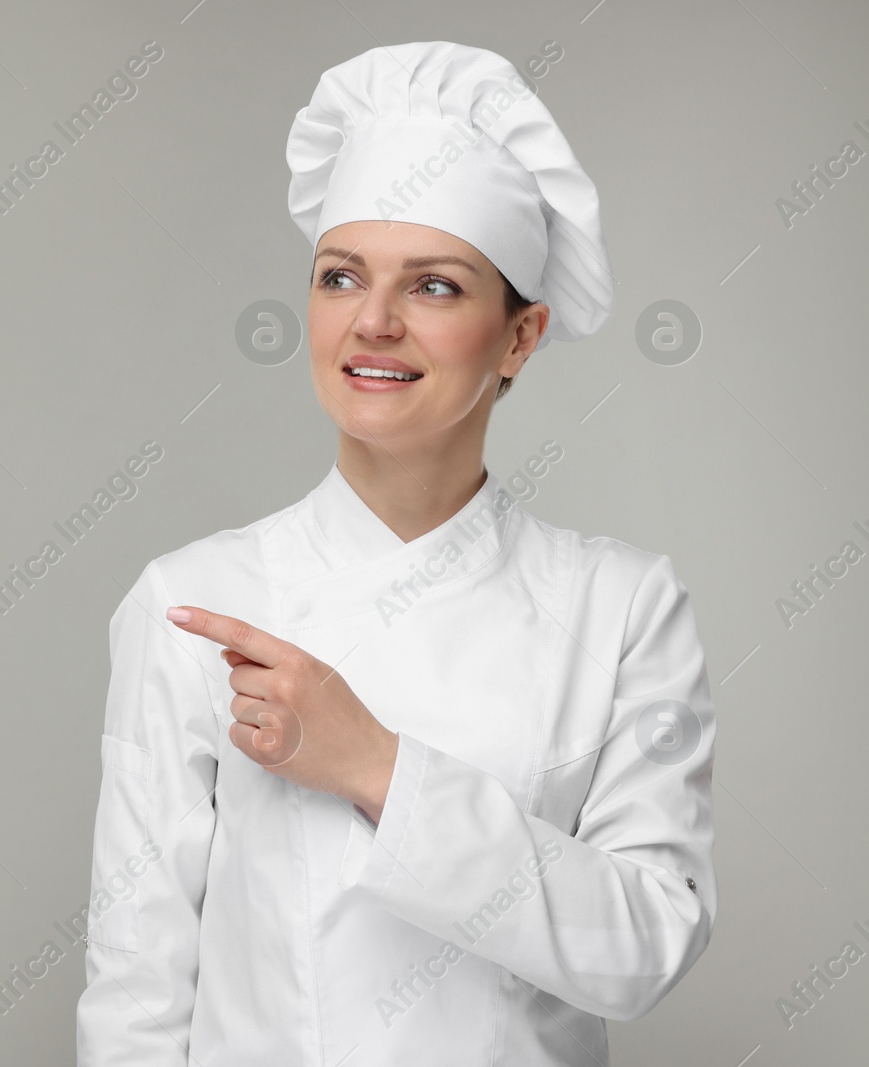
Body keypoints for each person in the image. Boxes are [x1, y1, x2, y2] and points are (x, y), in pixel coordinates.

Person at [75, 40, 716, 1065]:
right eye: (341, 277)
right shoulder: (193, 600)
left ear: (519, 336)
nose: (372, 323)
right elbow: (136, 992)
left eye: (434, 286)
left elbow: (644, 943)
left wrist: (375, 764)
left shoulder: (620, 604)